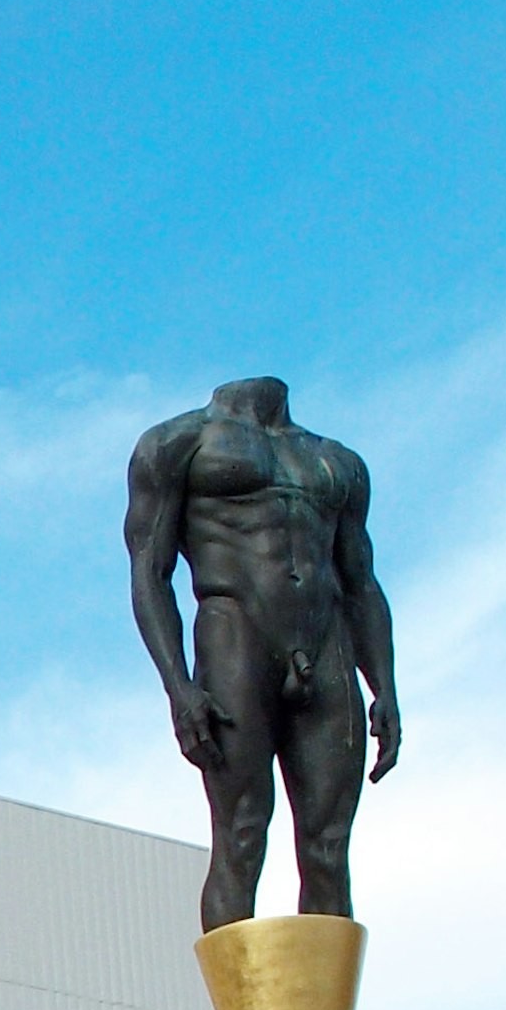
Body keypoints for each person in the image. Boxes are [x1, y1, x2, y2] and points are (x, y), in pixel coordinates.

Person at [125, 377, 403, 928]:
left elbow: (361, 581)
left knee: (328, 848)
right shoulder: (175, 442)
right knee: (242, 832)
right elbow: (149, 572)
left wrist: (385, 687)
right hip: (236, 634)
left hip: (325, 646)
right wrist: (179, 688)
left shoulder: (337, 462)